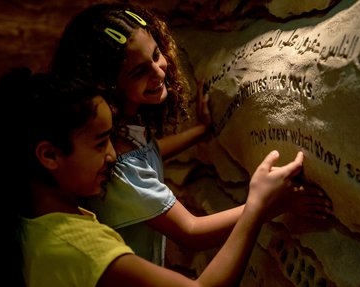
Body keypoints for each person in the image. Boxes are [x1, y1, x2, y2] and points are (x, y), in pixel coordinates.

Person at [0, 67, 331, 287]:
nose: (113, 155)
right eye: (100, 144)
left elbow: (153, 151)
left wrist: (201, 131)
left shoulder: (26, 221)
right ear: (49, 155)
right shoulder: (78, 247)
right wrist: (258, 205)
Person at [49, 2, 243, 265]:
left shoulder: (124, 130)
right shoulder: (116, 161)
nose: (158, 71)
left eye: (155, 55)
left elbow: (149, 153)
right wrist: (265, 204)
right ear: (106, 82)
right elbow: (192, 232)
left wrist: (200, 132)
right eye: (139, 71)